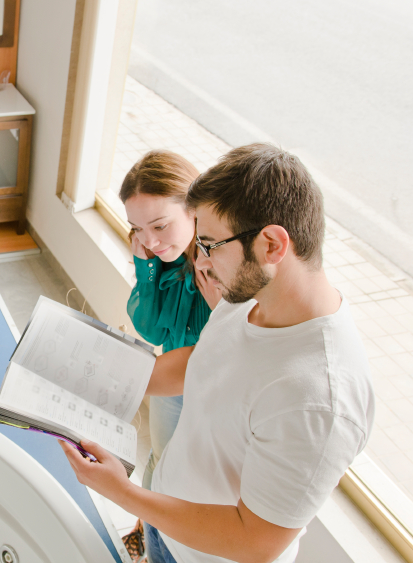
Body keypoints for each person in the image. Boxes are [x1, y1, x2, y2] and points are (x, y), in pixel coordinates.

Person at [60, 143, 374, 563]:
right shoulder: (249, 296)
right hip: (163, 519)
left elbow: (255, 542)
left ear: (271, 245)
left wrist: (125, 494)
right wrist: (100, 372)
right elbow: (203, 360)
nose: (200, 262)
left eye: (209, 245)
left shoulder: (320, 399)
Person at [119, 151, 221, 559]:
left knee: (197, 477)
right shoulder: (160, 258)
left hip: (215, 390)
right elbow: (150, 328)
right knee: (160, 460)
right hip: (173, 386)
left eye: (160, 225)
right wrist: (144, 266)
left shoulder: (222, 264)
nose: (150, 240)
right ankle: (147, 525)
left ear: (194, 210)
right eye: (137, 229)